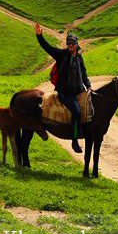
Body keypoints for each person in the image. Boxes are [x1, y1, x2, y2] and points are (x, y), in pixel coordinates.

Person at [34, 23, 91, 153]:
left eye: (72, 43)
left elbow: (83, 73)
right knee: (76, 111)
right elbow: (47, 47)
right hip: (65, 93)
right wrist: (39, 35)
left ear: (77, 44)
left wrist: (89, 86)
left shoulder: (79, 58)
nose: (69, 45)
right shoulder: (61, 55)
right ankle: (75, 140)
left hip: (79, 91)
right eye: (68, 43)